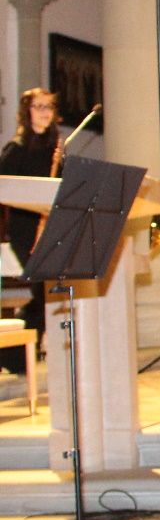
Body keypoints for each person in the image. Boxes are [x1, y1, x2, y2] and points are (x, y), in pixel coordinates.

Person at [0, 89, 59, 374]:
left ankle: (17, 354)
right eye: (39, 107)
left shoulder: (55, 150)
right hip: (24, 231)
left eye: (49, 107)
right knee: (41, 292)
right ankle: (13, 354)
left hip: (49, 229)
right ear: (27, 111)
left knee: (46, 294)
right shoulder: (16, 148)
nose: (45, 112)